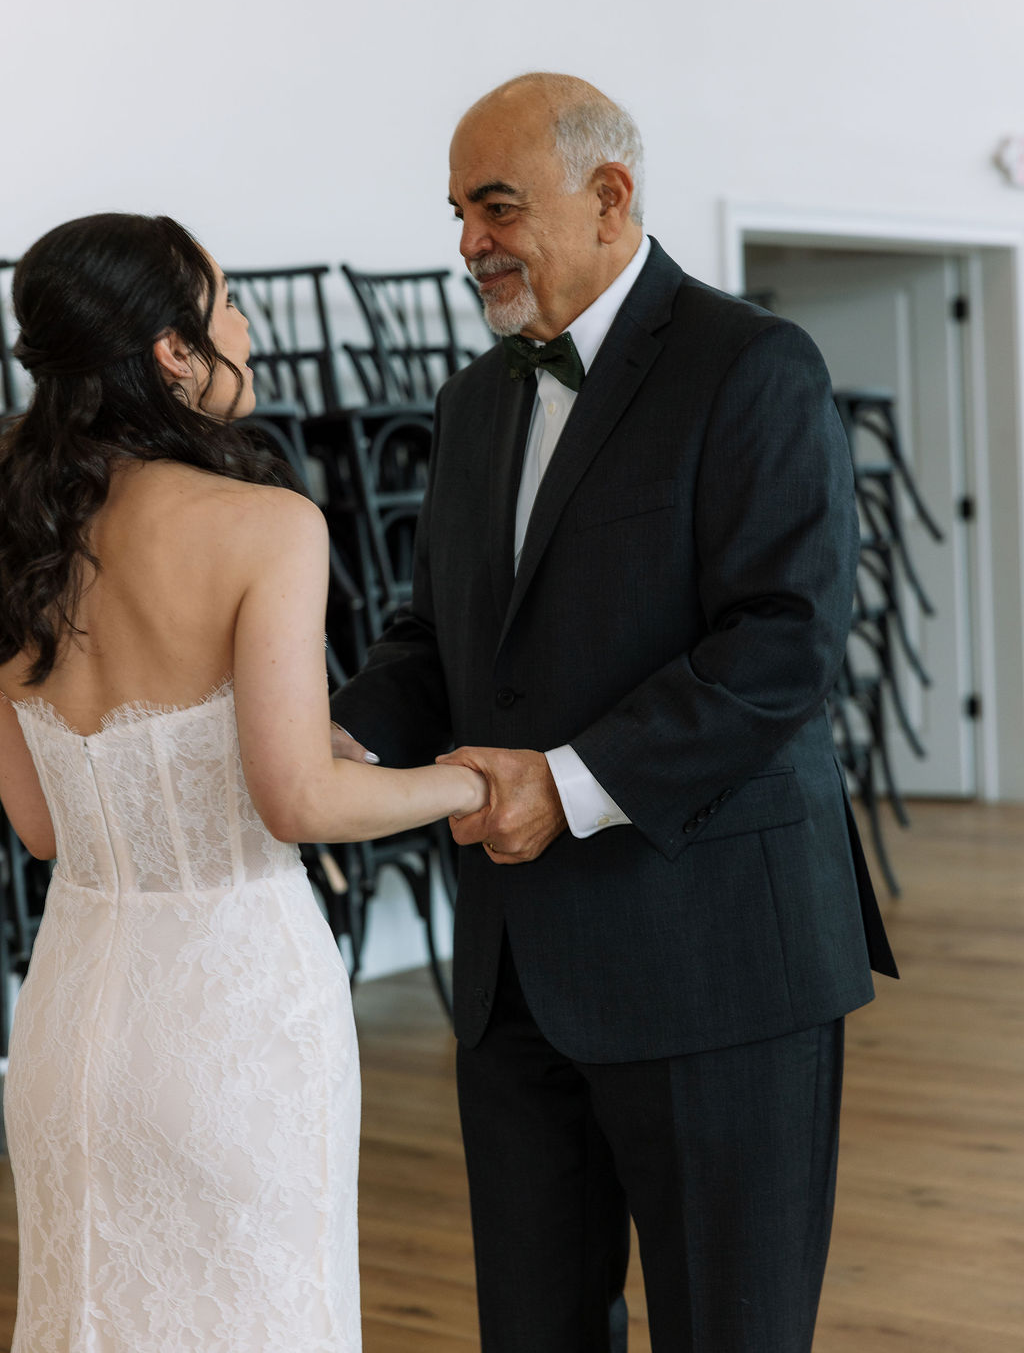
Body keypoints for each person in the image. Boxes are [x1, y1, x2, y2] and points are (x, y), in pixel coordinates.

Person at [330, 72, 899, 1353]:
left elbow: (782, 642)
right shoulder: (475, 400)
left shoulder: (752, 363)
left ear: (608, 196)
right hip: (513, 978)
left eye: (495, 207)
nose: (470, 243)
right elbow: (443, 637)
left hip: (716, 962)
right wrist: (347, 735)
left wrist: (568, 782)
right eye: (458, 213)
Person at [0, 212, 487, 1353]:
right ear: (172, 350)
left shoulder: (12, 528)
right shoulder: (264, 523)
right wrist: (463, 783)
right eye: (227, 305)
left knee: (90, 1316)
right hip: (237, 1011)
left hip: (71, 1015)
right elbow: (299, 801)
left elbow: (37, 822)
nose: (248, 326)